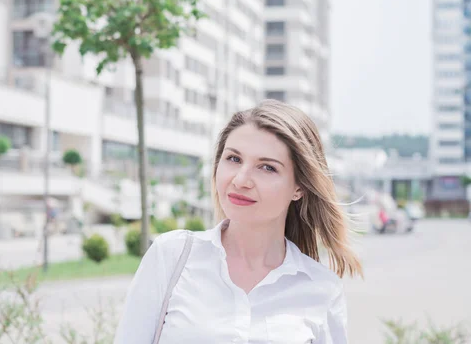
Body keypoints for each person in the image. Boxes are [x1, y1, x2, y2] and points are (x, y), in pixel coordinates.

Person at [114, 100, 363, 344]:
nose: (241, 180)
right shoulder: (172, 256)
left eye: (267, 167)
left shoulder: (321, 289)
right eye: (233, 159)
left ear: (299, 187)